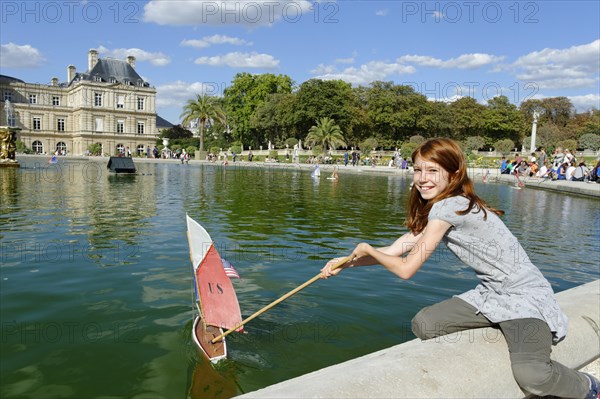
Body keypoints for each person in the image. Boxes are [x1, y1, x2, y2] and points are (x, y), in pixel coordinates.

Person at [321, 138, 599, 398]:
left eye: (433, 170)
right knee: (425, 323)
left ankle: (588, 386)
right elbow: (394, 251)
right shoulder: (444, 207)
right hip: (492, 294)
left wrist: (367, 249)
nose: (422, 178)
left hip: (525, 297)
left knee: (533, 376)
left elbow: (406, 269)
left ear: (453, 175)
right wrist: (348, 264)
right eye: (418, 170)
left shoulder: (449, 208)